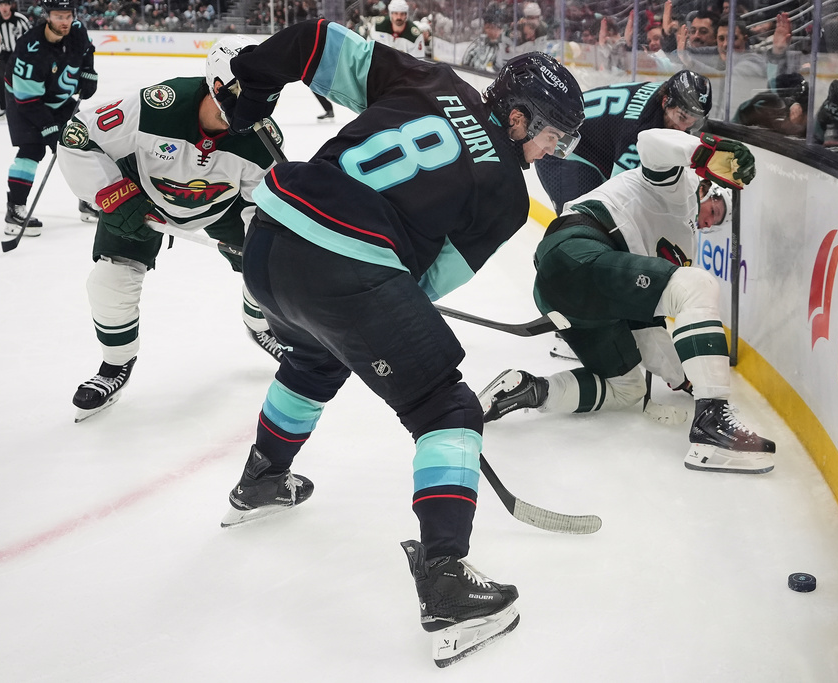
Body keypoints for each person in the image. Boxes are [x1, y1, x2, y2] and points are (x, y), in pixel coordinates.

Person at [211, 19, 584, 667]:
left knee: (314, 357)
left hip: (267, 239)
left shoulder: (430, 79)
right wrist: (384, 309)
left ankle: (262, 479)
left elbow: (318, 41)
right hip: (345, 266)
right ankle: (447, 582)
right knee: (448, 408)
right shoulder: (505, 196)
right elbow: (425, 282)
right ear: (519, 119)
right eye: (551, 134)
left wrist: (252, 81)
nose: (551, 150)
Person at [481, 127, 776, 475]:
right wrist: (702, 154)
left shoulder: (684, 242)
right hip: (577, 253)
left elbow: (646, 329)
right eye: (714, 207)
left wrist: (681, 376)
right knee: (696, 285)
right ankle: (712, 426)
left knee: (627, 388)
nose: (708, 218)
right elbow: (650, 142)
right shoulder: (674, 185)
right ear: (706, 187)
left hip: (567, 289)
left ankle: (531, 389)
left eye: (715, 221)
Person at [57, 36, 286, 422]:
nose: (257, 106)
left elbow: (264, 204)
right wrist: (112, 195)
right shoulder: (155, 107)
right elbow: (79, 136)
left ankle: (258, 323)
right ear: (216, 86)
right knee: (109, 282)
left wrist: (261, 243)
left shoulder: (263, 142)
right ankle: (116, 364)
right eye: (248, 93)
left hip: (222, 208)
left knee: (268, 261)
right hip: (142, 199)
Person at [535, 69, 712, 214]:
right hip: (561, 149)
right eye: (681, 117)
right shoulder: (639, 128)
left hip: (590, 148)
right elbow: (619, 193)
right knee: (582, 221)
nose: (684, 128)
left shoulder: (666, 97)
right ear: (666, 101)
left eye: (694, 121)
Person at [1, 0, 94, 236]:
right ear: (47, 16)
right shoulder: (30, 48)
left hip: (58, 98)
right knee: (32, 150)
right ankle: (15, 210)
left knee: (84, 144)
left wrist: (88, 72)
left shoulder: (77, 31)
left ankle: (87, 200)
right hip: (24, 101)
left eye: (68, 16)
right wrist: (48, 128)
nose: (65, 22)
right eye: (58, 16)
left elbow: (87, 51)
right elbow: (28, 100)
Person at [0, 0, 30, 119]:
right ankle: (3, 108)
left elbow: (31, 35)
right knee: (0, 82)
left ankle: (25, 107)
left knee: (22, 82)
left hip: (21, 55)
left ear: (10, 5)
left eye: (6, 4)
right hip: (5, 54)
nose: (4, 8)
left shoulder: (20, 19)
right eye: (1, 5)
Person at [461, 5, 506, 72]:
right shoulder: (477, 44)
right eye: (492, 27)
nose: (498, 31)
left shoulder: (500, 46)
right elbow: (465, 63)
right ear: (486, 27)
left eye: (500, 28)